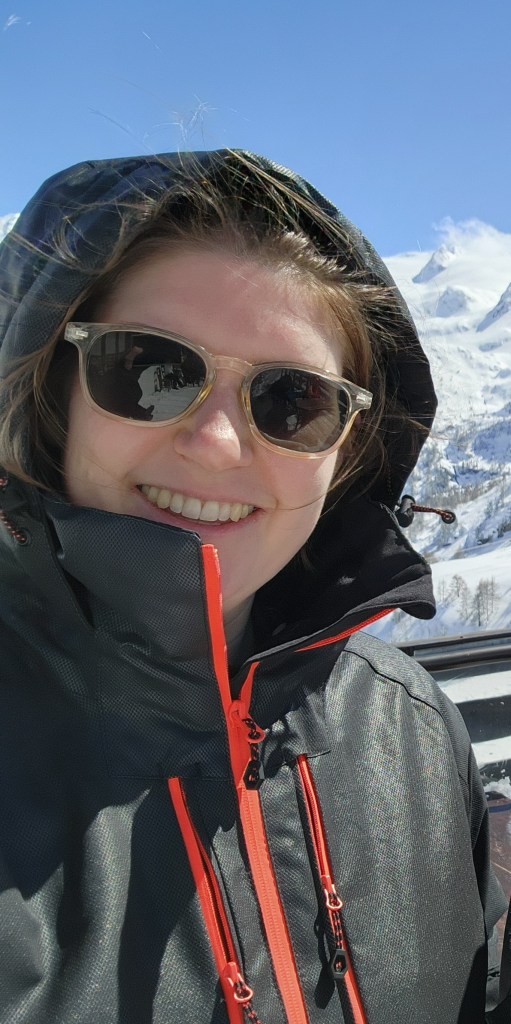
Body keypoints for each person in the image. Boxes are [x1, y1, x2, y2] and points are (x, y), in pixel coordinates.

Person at [0, 149, 505, 1024]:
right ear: (53, 389)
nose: (219, 446)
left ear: (347, 448)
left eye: (292, 402)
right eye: (149, 369)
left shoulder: (409, 730)